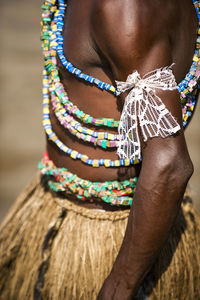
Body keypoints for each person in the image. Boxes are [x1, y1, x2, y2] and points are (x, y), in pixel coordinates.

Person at [0, 0, 200, 299]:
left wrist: (119, 287)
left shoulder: (125, 8)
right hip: (60, 208)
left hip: (112, 239)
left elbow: (168, 164)